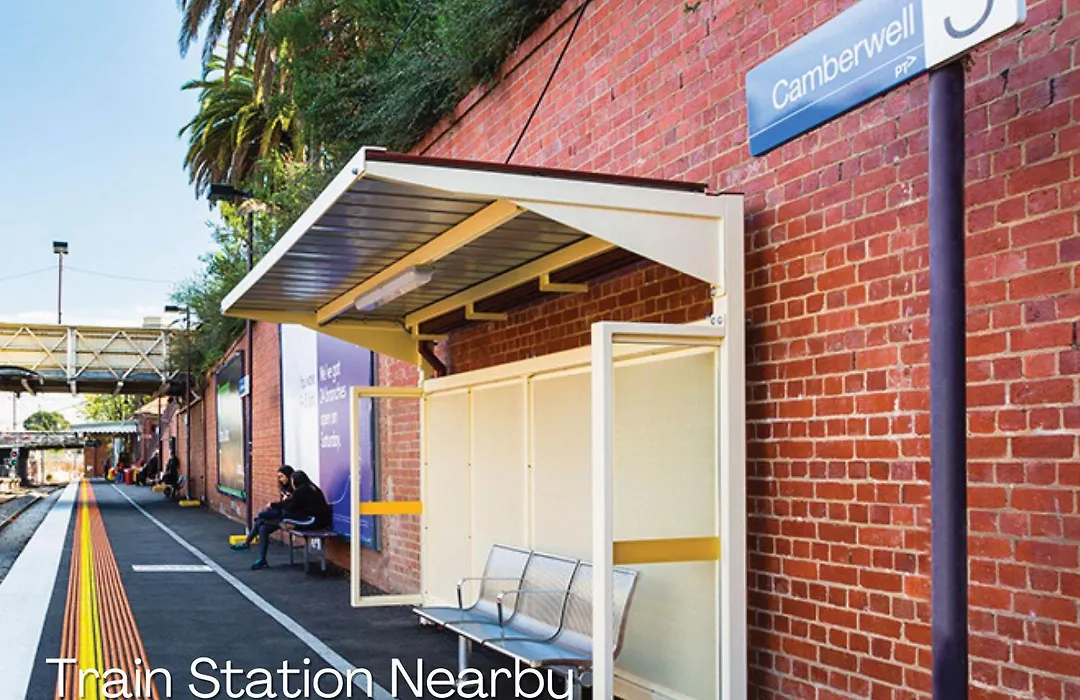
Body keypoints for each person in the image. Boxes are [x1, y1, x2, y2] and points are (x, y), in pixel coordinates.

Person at [247, 470, 331, 570]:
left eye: (292, 481)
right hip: (308, 518)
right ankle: (261, 558)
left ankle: (251, 537)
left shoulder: (302, 490)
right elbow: (294, 506)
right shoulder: (309, 488)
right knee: (263, 527)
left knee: (280, 517)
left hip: (313, 520)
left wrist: (279, 504)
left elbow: (291, 508)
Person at [231, 465, 294, 551]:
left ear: (289, 476)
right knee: (262, 527)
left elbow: (288, 505)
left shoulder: (295, 489)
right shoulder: (284, 488)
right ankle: (259, 555)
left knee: (260, 518)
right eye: (279, 477)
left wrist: (273, 505)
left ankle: (247, 542)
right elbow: (283, 504)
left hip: (286, 515)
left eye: (282, 476)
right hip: (281, 512)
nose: (280, 479)